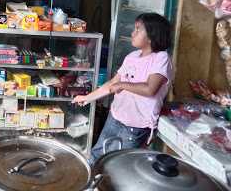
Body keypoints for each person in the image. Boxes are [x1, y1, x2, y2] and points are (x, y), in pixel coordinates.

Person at [73, 13, 172, 164]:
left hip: (135, 126)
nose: (133, 33)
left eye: (138, 30)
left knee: (119, 165)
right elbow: (112, 84)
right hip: (115, 117)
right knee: (96, 156)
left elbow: (150, 89)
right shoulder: (132, 56)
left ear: (152, 36)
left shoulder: (161, 58)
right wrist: (87, 98)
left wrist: (122, 85)